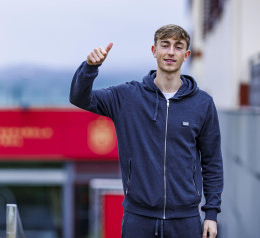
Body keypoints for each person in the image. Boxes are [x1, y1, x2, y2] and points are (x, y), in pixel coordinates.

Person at [69, 24, 223, 238]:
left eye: (178, 47)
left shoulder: (202, 103)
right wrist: (89, 68)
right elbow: (79, 98)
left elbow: (212, 161)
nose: (171, 52)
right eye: (165, 45)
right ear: (154, 51)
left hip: (186, 220)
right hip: (138, 219)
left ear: (186, 54)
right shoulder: (127, 96)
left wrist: (211, 214)